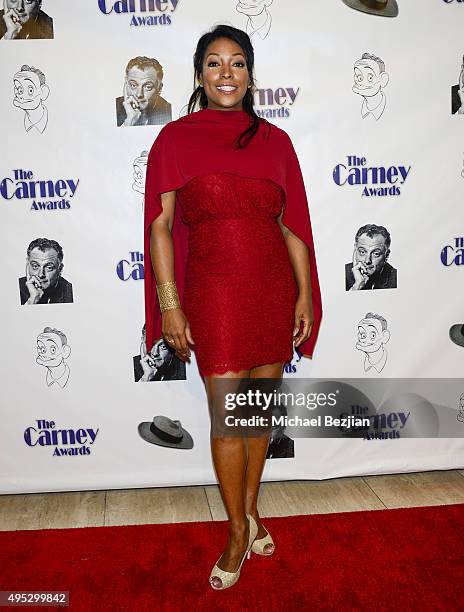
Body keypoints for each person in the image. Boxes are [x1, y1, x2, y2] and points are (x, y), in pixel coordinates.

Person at [143, 24, 322, 590]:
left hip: (271, 289)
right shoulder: (175, 137)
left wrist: (305, 294)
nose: (227, 73)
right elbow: (162, 227)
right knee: (229, 419)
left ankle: (250, 512)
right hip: (214, 292)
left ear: (250, 74)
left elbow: (293, 228)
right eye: (215, 63)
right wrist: (170, 304)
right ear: (199, 74)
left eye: (238, 63)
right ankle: (237, 533)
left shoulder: (275, 141)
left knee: (257, 417)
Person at [116, 56, 172, 127]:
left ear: (159, 88)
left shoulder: (168, 111)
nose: (139, 94)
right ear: (126, 84)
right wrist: (128, 122)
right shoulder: (114, 108)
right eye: (133, 85)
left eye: (148, 87)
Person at [19, 238, 73, 305]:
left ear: (60, 269)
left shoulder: (70, 293)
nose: (41, 274)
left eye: (49, 268)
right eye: (35, 266)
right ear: (28, 265)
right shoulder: (16, 289)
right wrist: (32, 299)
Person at [346, 223, 397, 290]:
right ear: (355, 250)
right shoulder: (343, 274)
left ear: (386, 255)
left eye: (376, 254)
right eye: (362, 252)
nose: (367, 261)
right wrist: (357, 286)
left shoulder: (395, 279)